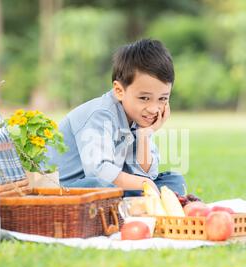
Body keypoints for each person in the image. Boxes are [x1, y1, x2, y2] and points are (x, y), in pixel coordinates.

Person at [47, 39, 186, 196]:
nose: (154, 109)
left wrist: (145, 135)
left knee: (174, 180)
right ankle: (134, 205)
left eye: (162, 99)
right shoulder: (100, 114)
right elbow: (99, 172)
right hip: (73, 188)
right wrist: (144, 183)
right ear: (119, 91)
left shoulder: (138, 118)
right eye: (144, 98)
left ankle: (132, 205)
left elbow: (148, 174)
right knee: (102, 185)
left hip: (112, 185)